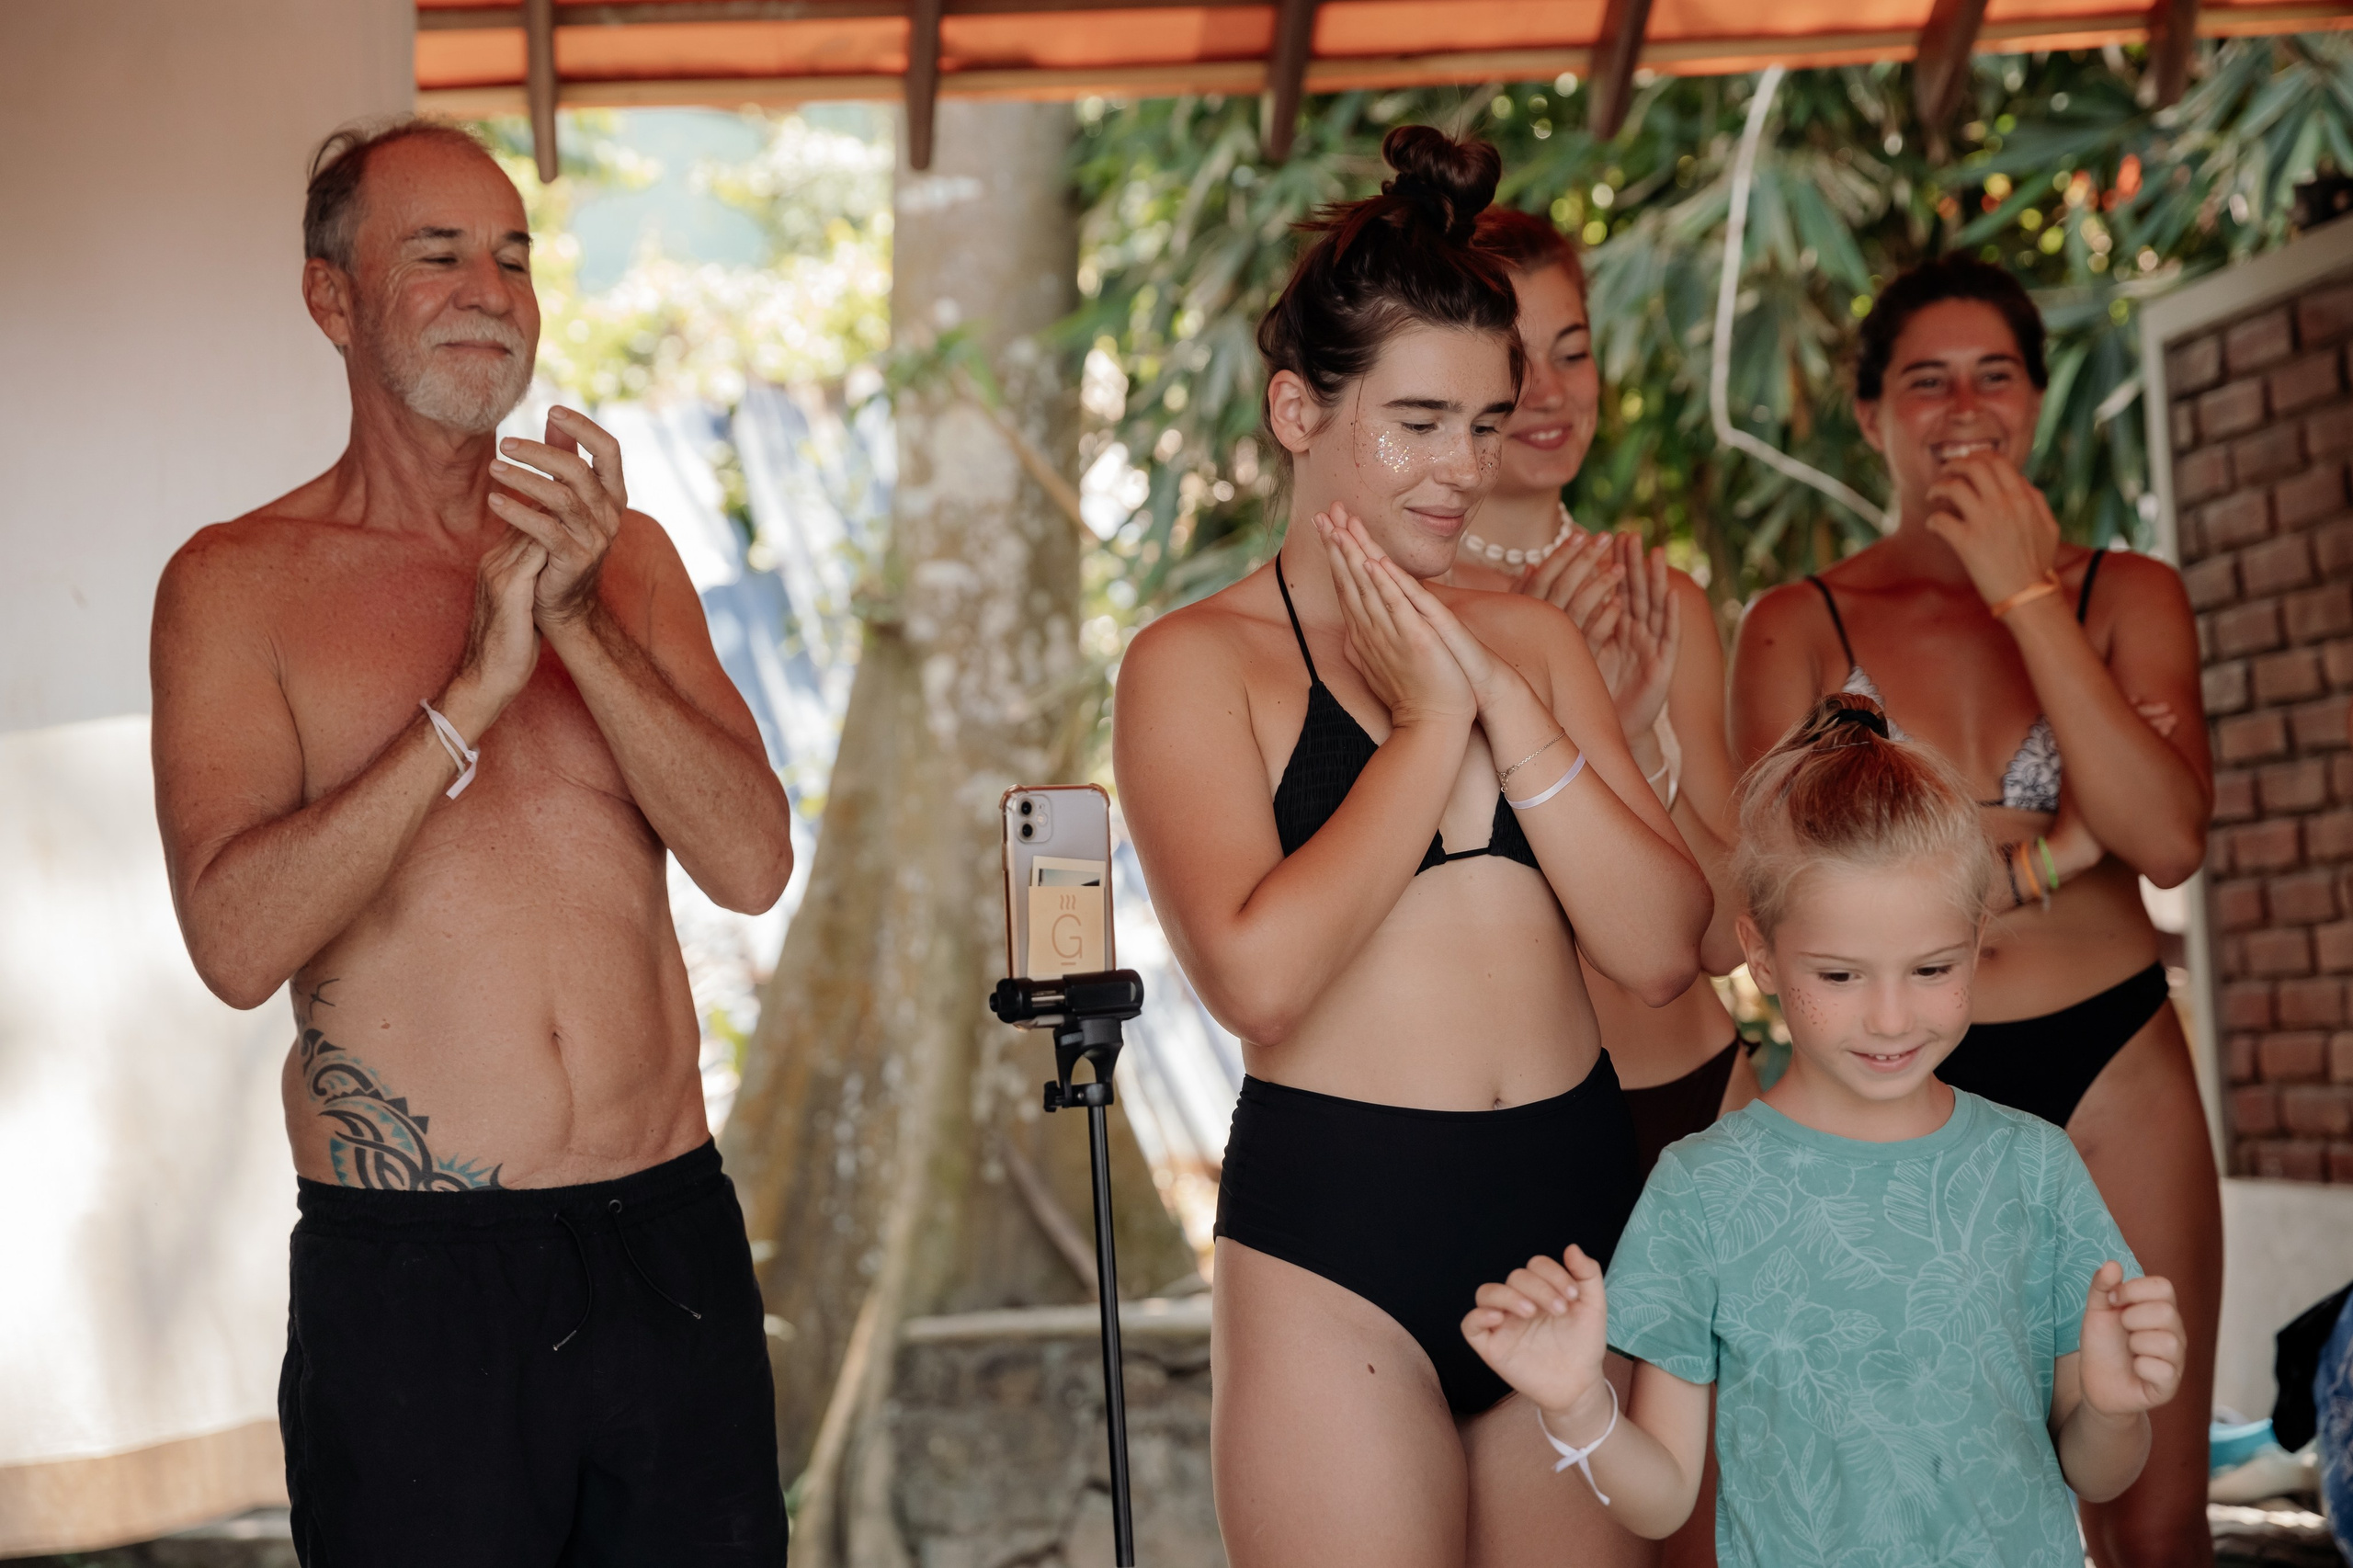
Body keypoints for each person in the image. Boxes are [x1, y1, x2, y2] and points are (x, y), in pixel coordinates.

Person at [150, 119, 794, 1565]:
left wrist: (572, 626)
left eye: (511, 257)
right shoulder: (238, 581)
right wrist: (470, 700)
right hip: (418, 1285)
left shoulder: (617, 556)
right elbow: (237, 942)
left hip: (666, 1247)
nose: (489, 290)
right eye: (436, 255)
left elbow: (754, 861)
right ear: (334, 299)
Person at [1115, 125, 1711, 1568]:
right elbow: (1259, 980)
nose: (1461, 469)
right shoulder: (1195, 665)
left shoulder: (1534, 640)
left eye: (1485, 424)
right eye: (1419, 420)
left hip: (1568, 1225)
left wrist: (1498, 692)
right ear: (1298, 411)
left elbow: (1657, 944)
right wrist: (1427, 722)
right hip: (1340, 1237)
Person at [1727, 256, 2217, 1567]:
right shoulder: (1798, 621)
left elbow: (2165, 834)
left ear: (2040, 402)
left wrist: (2024, 590)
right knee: (1896, 1504)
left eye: (1994, 372)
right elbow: (1774, 885)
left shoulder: (2127, 594)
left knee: (2153, 1514)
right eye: (1923, 379)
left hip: (2111, 1057)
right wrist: (2045, 849)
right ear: (1873, 413)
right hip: (1885, 1086)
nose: (1962, 403)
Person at [1463, 694, 2189, 1565]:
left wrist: (2113, 1409)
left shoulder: (2035, 1167)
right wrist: (1580, 1408)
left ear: (1975, 939)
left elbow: (2097, 1473)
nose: (1890, 1017)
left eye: (1931, 969)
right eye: (1840, 974)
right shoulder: (1704, 1188)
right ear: (1762, 957)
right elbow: (1662, 1501)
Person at [1458, 208, 1757, 1176]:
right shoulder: (1401, 616)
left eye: (1572, 351)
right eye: (1511, 359)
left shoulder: (1657, 601)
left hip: (1701, 1093)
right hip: (1507, 1126)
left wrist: (1632, 741)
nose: (1547, 392)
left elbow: (1721, 937)